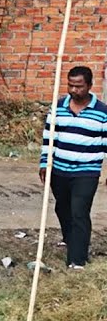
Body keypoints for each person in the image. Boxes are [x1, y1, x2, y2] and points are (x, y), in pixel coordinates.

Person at [38, 65, 107, 269]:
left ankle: (77, 259)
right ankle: (71, 240)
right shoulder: (58, 107)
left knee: (79, 212)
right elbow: (49, 137)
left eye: (79, 86)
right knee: (63, 207)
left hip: (86, 171)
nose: (74, 90)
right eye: (70, 85)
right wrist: (44, 162)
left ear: (89, 86)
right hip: (59, 168)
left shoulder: (102, 113)